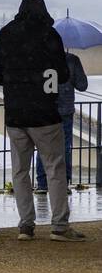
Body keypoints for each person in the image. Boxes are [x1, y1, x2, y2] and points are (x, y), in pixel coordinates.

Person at [0, 0, 84, 241]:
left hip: (15, 114)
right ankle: (59, 226)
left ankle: (25, 226)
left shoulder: (6, 34)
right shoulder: (49, 35)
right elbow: (62, 75)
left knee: (20, 171)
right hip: (45, 114)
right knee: (55, 168)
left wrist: (16, 79)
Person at [35, 50, 88, 191]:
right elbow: (83, 86)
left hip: (44, 110)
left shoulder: (39, 59)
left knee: (43, 146)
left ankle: (42, 183)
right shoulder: (72, 60)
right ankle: (63, 183)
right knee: (64, 148)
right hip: (65, 111)